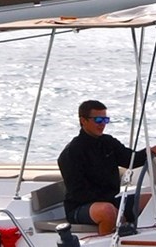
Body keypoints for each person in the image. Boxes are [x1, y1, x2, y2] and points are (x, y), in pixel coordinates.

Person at [57, 100, 143, 236]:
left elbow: (130, 160)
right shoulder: (71, 152)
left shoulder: (108, 142)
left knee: (149, 200)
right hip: (80, 207)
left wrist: (151, 153)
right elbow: (78, 193)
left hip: (110, 200)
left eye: (105, 120)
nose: (102, 124)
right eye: (98, 120)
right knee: (107, 211)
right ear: (83, 121)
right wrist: (113, 207)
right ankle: (107, 244)